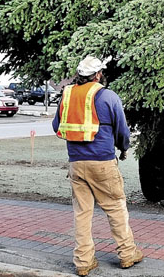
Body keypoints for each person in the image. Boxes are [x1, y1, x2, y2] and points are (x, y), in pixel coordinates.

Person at [52, 56, 143, 276]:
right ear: (99, 74)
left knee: (82, 213)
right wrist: (123, 148)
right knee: (115, 208)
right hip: (102, 162)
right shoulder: (107, 96)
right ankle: (127, 254)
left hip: (76, 163)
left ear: (80, 75)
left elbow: (56, 125)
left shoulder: (67, 94)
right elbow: (122, 129)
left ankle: (83, 262)